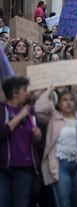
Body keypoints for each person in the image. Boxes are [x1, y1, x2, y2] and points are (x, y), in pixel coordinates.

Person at [35, 87, 77, 207]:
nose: (68, 103)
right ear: (59, 103)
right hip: (60, 165)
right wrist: (49, 90)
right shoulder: (53, 118)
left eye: (71, 99)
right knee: (64, 202)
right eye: (64, 100)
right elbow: (38, 109)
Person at [0, 76, 42, 207]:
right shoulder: (2, 109)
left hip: (25, 168)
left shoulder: (30, 111)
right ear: (14, 93)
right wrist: (19, 116)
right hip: (4, 168)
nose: (27, 93)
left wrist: (38, 136)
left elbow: (37, 142)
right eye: (24, 89)